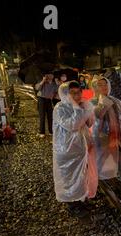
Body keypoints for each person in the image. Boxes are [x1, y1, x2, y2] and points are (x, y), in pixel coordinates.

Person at [52, 81, 97, 218]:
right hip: (66, 150)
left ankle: (80, 200)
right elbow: (73, 124)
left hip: (80, 148)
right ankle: (72, 205)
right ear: (65, 94)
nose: (77, 96)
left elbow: (89, 123)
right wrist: (78, 108)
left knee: (81, 176)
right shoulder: (60, 108)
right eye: (73, 93)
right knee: (69, 178)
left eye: (79, 92)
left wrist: (88, 111)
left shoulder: (80, 105)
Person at [91, 77, 121, 185]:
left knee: (120, 159)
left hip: (116, 137)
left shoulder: (115, 101)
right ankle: (104, 181)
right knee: (102, 159)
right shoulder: (92, 102)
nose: (104, 87)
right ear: (95, 87)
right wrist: (103, 103)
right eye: (100, 85)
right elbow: (97, 115)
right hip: (101, 138)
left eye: (105, 84)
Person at [35, 72, 58, 137]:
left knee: (50, 116)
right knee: (42, 116)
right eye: (48, 74)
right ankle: (42, 132)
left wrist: (57, 83)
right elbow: (37, 88)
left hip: (49, 100)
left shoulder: (53, 84)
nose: (50, 76)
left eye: (51, 74)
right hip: (41, 99)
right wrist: (43, 80)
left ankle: (51, 131)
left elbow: (57, 90)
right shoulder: (43, 82)